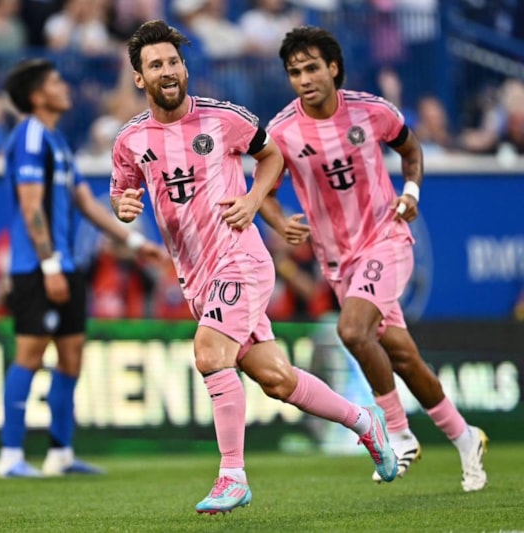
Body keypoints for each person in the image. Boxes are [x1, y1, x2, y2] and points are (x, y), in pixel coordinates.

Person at [111, 19, 398, 515]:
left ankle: (232, 475)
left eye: (174, 61)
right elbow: (122, 189)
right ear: (140, 77)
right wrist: (123, 205)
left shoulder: (224, 118)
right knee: (277, 378)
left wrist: (252, 199)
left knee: (209, 351)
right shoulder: (130, 139)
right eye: (155, 65)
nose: (168, 71)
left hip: (240, 260)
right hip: (197, 277)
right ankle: (363, 420)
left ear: (185, 68)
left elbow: (272, 157)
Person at [260, 25, 488, 492]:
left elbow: (411, 149)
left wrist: (411, 191)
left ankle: (398, 433)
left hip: (386, 240)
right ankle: (467, 438)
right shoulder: (281, 131)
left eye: (311, 68)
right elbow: (263, 188)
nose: (304, 79)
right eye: (294, 73)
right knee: (402, 355)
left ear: (333, 68)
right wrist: (280, 223)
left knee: (351, 330)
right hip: (339, 262)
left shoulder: (372, 111)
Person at [0, 58, 164, 479]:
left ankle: (61, 453)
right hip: (37, 267)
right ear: (38, 96)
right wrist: (49, 263)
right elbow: (31, 206)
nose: (64, 87)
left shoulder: (57, 141)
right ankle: (10, 456)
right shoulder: (30, 137)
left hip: (65, 265)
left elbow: (85, 203)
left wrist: (135, 242)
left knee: (71, 357)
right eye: (55, 82)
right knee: (30, 354)